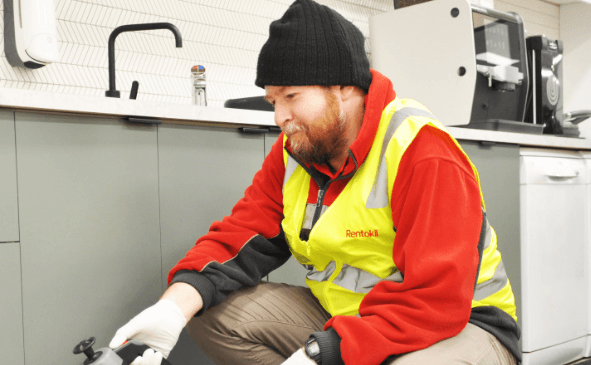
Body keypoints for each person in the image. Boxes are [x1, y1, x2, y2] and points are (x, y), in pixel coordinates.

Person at [109, 0, 521, 364]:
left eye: (291, 97)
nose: (279, 118)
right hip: (352, 318)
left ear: (344, 88)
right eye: (273, 102)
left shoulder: (421, 151)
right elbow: (243, 233)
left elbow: (434, 300)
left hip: (459, 324)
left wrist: (320, 353)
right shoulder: (296, 152)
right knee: (209, 313)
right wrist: (174, 306)